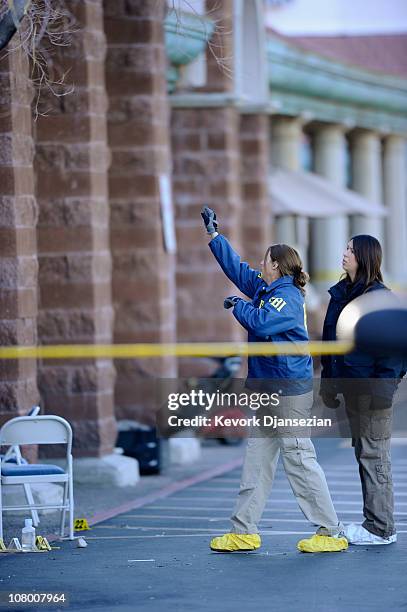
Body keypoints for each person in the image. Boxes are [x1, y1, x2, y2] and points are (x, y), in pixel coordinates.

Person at [201, 206, 348, 554]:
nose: (260, 265)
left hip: (287, 392)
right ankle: (244, 531)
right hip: (267, 390)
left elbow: (262, 323)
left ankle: (330, 531)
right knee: (257, 460)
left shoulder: (287, 297)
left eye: (265, 261)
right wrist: (215, 237)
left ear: (277, 265)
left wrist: (237, 305)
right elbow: (238, 270)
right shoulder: (268, 290)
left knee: (298, 459)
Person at [320, 234, 404, 545]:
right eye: (345, 248)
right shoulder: (340, 293)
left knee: (374, 456)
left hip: (373, 392)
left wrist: (383, 392)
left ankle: (381, 528)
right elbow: (330, 343)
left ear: (365, 257)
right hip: (351, 389)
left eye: (351, 251)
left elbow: (394, 353)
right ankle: (375, 522)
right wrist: (328, 384)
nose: (344, 254)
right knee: (364, 454)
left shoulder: (379, 300)